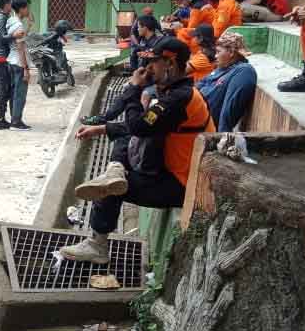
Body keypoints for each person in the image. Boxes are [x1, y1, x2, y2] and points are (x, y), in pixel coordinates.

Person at [60, 38, 214, 264]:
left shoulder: (178, 99)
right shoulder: (174, 92)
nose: (147, 68)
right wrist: (102, 128)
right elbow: (143, 125)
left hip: (183, 183)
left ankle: (97, 246)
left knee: (110, 189)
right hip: (172, 169)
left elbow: (139, 126)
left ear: (169, 63)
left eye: (153, 62)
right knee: (121, 146)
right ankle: (115, 170)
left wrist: (134, 88)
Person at [80, 15, 162, 126]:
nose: (137, 29)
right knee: (126, 91)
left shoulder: (156, 44)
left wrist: (138, 79)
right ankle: (109, 119)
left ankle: (111, 120)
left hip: (152, 81)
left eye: (139, 27)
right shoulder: (145, 41)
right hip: (144, 78)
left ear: (145, 28)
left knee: (128, 92)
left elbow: (154, 68)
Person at [197, 32, 257, 132]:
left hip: (203, 128)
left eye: (218, 52)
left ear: (231, 52)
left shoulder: (243, 71)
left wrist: (221, 137)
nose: (215, 56)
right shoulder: (222, 68)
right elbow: (200, 85)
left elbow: (229, 111)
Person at [2, 0, 32, 131]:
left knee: (14, 91)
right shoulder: (18, 25)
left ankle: (15, 119)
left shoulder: (11, 21)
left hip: (11, 61)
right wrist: (26, 68)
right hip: (19, 62)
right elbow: (20, 47)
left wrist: (30, 25)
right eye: (27, 7)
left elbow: (21, 36)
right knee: (20, 93)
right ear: (22, 8)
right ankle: (16, 121)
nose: (29, 10)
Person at [128, 6, 155, 70]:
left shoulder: (153, 20)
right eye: (148, 14)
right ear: (144, 13)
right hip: (137, 41)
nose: (149, 15)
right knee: (134, 52)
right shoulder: (138, 20)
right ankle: (134, 70)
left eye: (151, 14)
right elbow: (132, 34)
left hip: (148, 40)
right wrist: (137, 44)